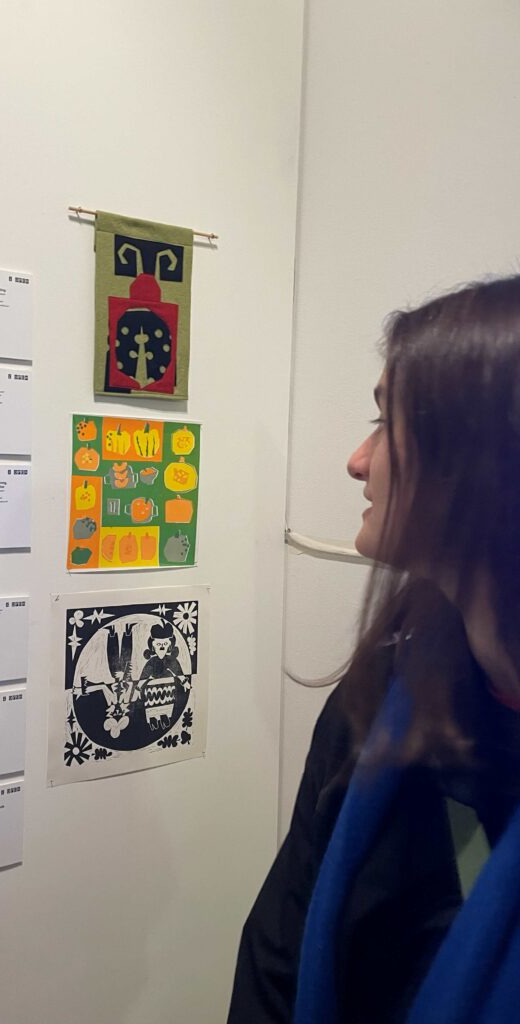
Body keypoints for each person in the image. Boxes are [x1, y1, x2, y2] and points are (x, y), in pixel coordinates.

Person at [228, 275, 520, 1024]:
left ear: (486, 463)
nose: (358, 461)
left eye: (386, 423)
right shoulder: (388, 687)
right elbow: (276, 957)